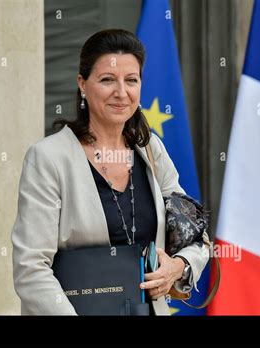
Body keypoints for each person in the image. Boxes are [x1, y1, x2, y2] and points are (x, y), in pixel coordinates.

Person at [11, 29, 210, 315]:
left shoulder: (151, 149)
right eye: (107, 80)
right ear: (82, 84)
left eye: (131, 80)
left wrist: (177, 267)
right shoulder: (48, 158)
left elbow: (195, 236)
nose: (121, 92)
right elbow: (31, 269)